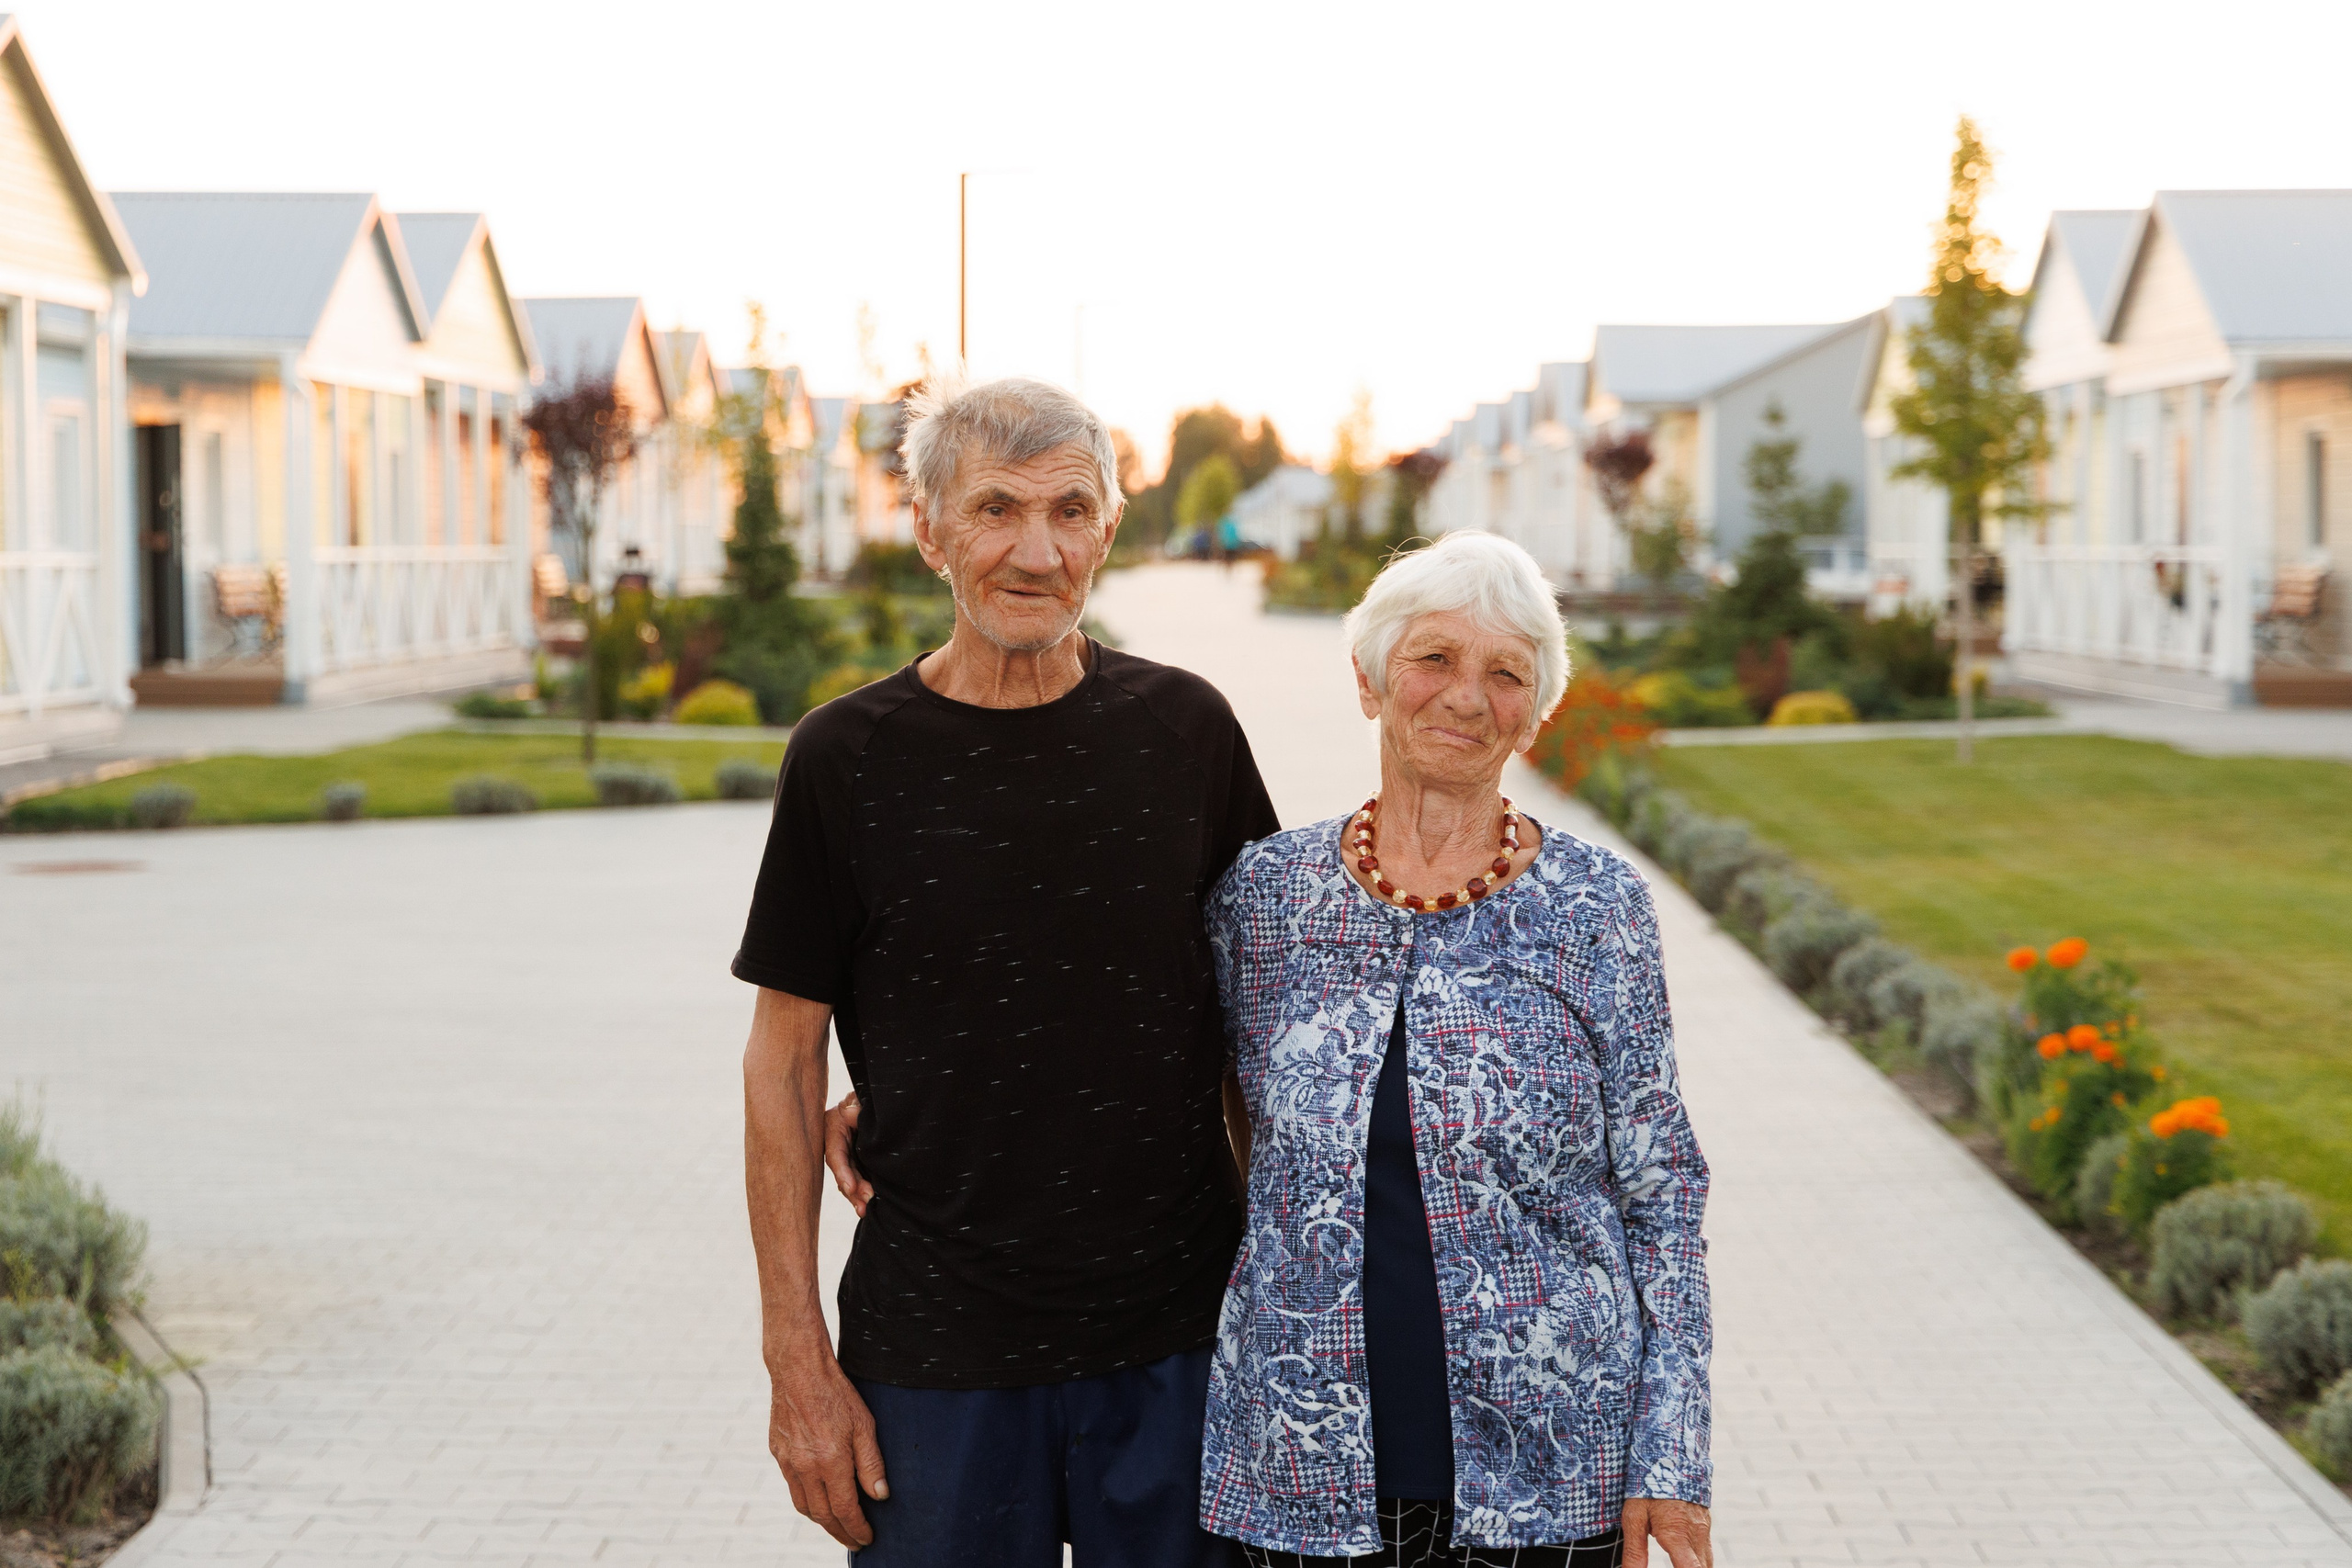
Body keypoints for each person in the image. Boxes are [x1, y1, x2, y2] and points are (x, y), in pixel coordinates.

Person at [734, 377, 1276, 1566]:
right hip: (936, 1359)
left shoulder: (1188, 732)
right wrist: (795, 1359)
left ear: (1108, 530)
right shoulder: (845, 759)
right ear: (928, 529)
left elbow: (1265, 1027)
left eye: (1071, 509)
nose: (1038, 550)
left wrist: (1298, 1312)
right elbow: (782, 1060)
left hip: (1182, 1345)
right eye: (995, 509)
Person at [1198, 533, 1713, 1568]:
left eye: (1506, 673)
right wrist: (899, 1106)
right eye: (1433, 658)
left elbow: (1663, 1195)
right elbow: (1149, 1075)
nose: (1466, 697)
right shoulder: (1265, 898)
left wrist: (1672, 1458)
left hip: (1550, 1481)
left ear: (1536, 714)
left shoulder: (1595, 909)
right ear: (1368, 679)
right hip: (1299, 1473)